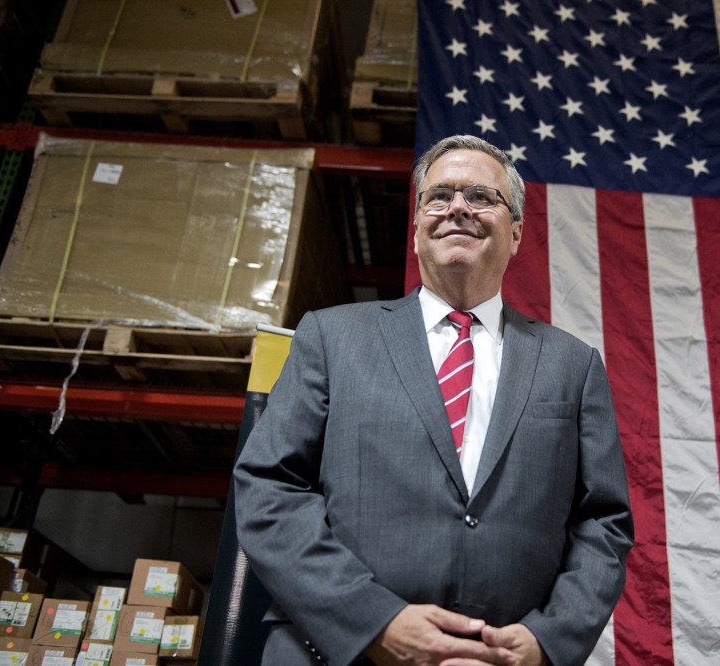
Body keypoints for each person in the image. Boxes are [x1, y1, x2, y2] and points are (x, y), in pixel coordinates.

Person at [233, 135, 633, 666]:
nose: (458, 208)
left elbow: (603, 524)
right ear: (418, 227)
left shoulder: (573, 365)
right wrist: (375, 620)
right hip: (335, 654)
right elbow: (269, 487)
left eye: (481, 196)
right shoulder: (332, 337)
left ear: (515, 234)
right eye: (438, 196)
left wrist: (545, 643)